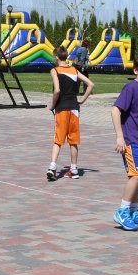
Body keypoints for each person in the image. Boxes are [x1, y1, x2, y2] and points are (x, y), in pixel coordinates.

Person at [110, 55, 138, 231]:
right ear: (136, 70)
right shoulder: (131, 87)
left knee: (136, 176)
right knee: (137, 175)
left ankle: (134, 212)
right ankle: (122, 211)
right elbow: (115, 110)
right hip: (131, 140)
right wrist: (120, 137)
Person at [46, 45, 95, 180]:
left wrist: (52, 105)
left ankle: (52, 167)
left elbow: (57, 90)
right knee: (73, 141)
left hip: (61, 108)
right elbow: (90, 84)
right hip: (74, 108)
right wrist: (82, 100)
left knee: (58, 140)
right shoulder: (74, 70)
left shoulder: (55, 70)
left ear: (56, 57)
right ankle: (74, 169)